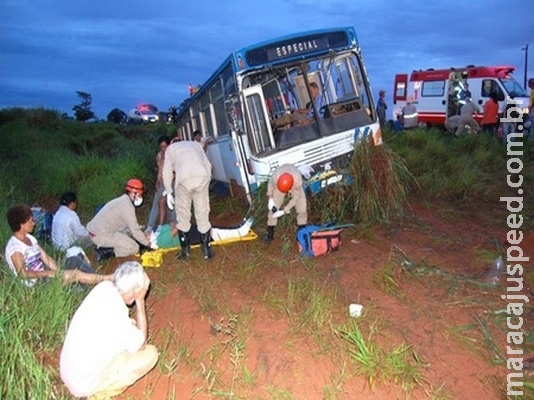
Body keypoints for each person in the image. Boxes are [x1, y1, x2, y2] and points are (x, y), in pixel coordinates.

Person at [60, 261, 158, 399]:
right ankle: (98, 394)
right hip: (83, 383)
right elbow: (141, 344)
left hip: (69, 371)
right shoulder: (118, 316)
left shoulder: (104, 287)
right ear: (135, 290)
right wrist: (140, 301)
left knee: (131, 323)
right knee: (150, 354)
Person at [5, 204, 112, 287]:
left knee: (74, 260)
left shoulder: (30, 239)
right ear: (22, 225)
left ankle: (95, 283)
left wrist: (59, 272)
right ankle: (107, 280)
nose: (34, 223)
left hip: (45, 275)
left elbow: (47, 259)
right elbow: (22, 273)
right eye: (30, 221)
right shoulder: (15, 247)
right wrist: (47, 273)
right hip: (37, 284)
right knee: (76, 274)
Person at [162, 140, 214, 260]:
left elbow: (167, 171)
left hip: (183, 180)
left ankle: (186, 252)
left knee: (183, 215)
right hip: (202, 176)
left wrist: (169, 191)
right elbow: (208, 164)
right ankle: (207, 251)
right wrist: (207, 179)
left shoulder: (170, 149)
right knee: (202, 213)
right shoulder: (195, 144)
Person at [87, 179, 153, 260]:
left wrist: (141, 236)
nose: (140, 197)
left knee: (127, 234)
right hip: (100, 235)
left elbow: (130, 227)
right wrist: (147, 244)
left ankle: (107, 245)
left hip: (95, 230)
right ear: (134, 193)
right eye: (140, 195)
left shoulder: (123, 200)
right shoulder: (128, 207)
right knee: (134, 247)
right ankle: (105, 252)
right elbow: (135, 231)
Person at [264, 164, 307, 243]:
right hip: (279, 187)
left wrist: (284, 211)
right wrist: (270, 198)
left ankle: (302, 228)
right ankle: (270, 232)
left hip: (294, 185)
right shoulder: (276, 177)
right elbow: (270, 184)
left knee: (302, 205)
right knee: (273, 208)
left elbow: (295, 199)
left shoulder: (298, 180)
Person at [149, 218, 254, 249]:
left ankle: (237, 227)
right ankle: (241, 231)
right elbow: (175, 226)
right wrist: (175, 225)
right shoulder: (160, 241)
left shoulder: (157, 233)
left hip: (188, 231)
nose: (146, 233)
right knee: (215, 233)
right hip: (191, 237)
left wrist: (174, 225)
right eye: (145, 235)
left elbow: (172, 222)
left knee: (214, 228)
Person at [146, 135, 173, 232]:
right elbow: (160, 170)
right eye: (161, 147)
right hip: (162, 182)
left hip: (171, 182)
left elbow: (175, 172)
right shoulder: (159, 155)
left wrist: (168, 188)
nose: (163, 149)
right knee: (157, 203)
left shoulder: (173, 155)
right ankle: (150, 226)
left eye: (165, 146)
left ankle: (171, 224)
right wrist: (157, 181)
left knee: (168, 203)